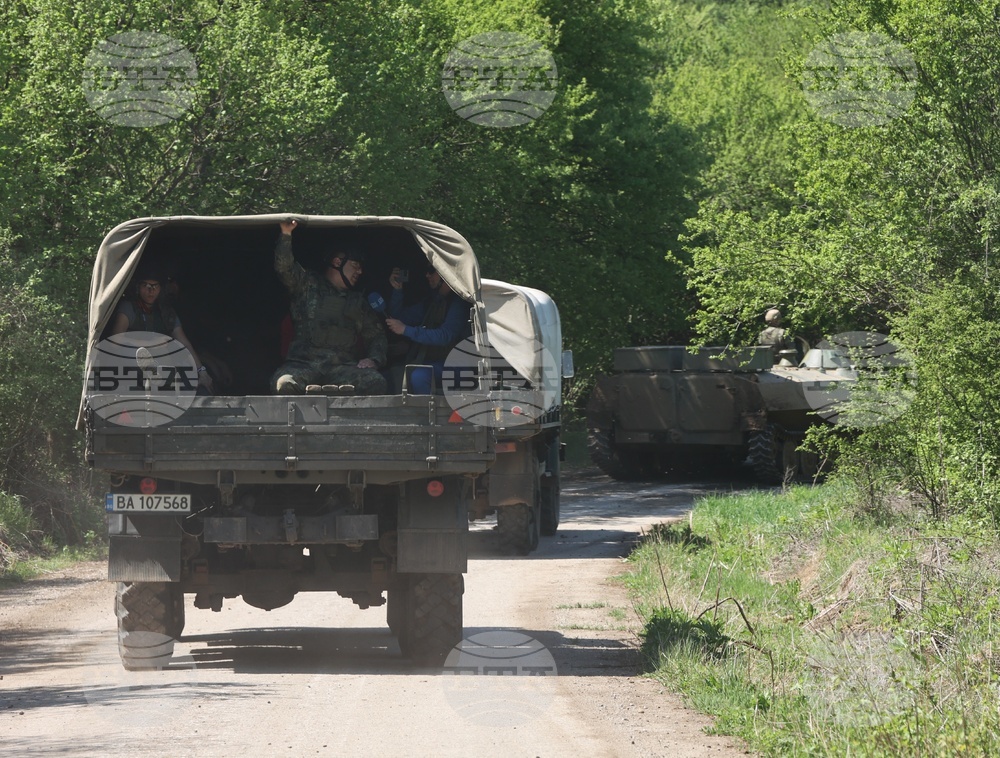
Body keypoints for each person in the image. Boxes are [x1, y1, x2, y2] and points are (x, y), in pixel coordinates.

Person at [271, 219, 387, 395]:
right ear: (337, 262)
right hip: (303, 366)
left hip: (342, 369)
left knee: (375, 382)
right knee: (285, 384)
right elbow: (284, 268)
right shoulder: (307, 285)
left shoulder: (358, 302)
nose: (360, 272)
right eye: (355, 265)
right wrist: (286, 234)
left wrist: (374, 359)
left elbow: (376, 335)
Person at [110, 263, 214, 394]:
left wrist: (201, 371)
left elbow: (184, 343)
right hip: (131, 364)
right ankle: (153, 371)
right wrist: (150, 344)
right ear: (138, 288)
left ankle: (160, 375)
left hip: (164, 363)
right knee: (135, 353)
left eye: (155, 286)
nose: (150, 290)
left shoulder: (166, 312)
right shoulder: (129, 308)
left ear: (161, 289)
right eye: (145, 286)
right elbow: (114, 342)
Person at [384, 264, 471, 394]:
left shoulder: (459, 302)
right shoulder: (432, 302)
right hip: (434, 362)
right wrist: (397, 291)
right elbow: (399, 318)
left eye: (431, 271)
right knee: (389, 376)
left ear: (445, 274)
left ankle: (426, 414)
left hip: (458, 366)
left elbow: (445, 336)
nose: (427, 275)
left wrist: (406, 330)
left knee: (419, 376)